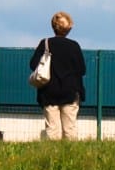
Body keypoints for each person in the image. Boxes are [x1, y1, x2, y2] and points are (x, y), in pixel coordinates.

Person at [30, 10, 86, 140]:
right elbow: (82, 70)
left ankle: (52, 152)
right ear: (68, 29)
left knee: (52, 129)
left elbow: (33, 65)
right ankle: (70, 152)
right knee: (70, 129)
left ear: (53, 27)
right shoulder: (74, 46)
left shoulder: (45, 44)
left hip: (48, 92)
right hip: (70, 92)